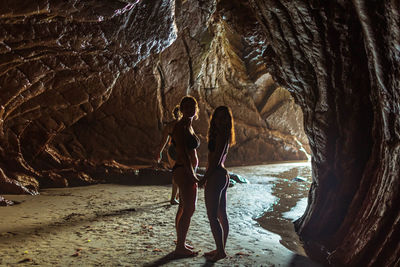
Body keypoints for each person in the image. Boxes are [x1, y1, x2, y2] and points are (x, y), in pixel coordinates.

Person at [199, 106, 236, 262]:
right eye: (218, 117)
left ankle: (220, 251)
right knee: (221, 214)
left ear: (228, 120)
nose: (220, 121)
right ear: (214, 119)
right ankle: (220, 248)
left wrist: (204, 178)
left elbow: (214, 161)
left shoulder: (221, 135)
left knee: (213, 216)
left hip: (216, 176)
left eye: (223, 118)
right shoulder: (225, 135)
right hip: (222, 176)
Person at [171, 95, 200, 257]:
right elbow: (183, 153)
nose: (190, 109)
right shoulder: (180, 127)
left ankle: (180, 242)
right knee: (189, 208)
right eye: (187, 107)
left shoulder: (188, 125)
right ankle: (180, 247)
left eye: (193, 106)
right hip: (184, 170)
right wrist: (193, 175)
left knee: (183, 207)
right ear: (181, 110)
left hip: (185, 170)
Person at [155, 105, 181, 204]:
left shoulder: (169, 125)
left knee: (176, 173)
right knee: (180, 173)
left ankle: (175, 196)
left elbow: (163, 142)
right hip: (180, 150)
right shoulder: (184, 124)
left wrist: (159, 152)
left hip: (172, 150)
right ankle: (175, 197)